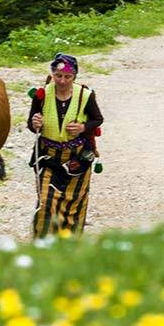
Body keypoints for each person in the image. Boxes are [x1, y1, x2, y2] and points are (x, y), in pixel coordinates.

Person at [28, 53, 103, 238]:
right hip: (48, 157)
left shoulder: (85, 96)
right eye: (58, 76)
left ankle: (69, 246)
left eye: (67, 76)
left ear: (74, 76)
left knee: (73, 206)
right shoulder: (41, 94)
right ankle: (42, 244)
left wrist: (82, 127)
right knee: (45, 202)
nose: (62, 81)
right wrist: (35, 123)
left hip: (77, 158)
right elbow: (31, 123)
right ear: (52, 74)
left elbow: (97, 119)